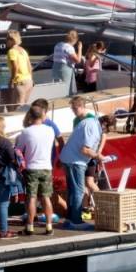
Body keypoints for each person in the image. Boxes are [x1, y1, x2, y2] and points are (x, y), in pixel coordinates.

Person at [59, 97, 103, 227]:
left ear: (82, 106)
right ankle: (75, 220)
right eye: (72, 108)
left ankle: (70, 218)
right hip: (77, 159)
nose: (73, 111)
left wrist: (97, 154)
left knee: (74, 189)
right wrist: (98, 156)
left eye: (75, 108)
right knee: (77, 190)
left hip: (75, 158)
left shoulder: (90, 119)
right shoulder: (80, 121)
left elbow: (95, 141)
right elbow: (84, 147)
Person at [15, 105, 56, 236]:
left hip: (32, 168)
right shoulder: (50, 130)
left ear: (30, 116)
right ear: (42, 115)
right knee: (46, 197)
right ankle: (49, 226)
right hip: (46, 167)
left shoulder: (26, 132)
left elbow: (18, 149)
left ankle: (30, 226)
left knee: (31, 198)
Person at [82, 114, 112, 218]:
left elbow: (101, 142)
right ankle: (85, 210)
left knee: (89, 183)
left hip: (91, 158)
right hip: (89, 157)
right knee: (85, 185)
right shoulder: (97, 127)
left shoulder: (99, 129)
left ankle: (103, 204)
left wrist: (98, 155)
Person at [6, 30, 34, 107]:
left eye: (7, 39)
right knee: (24, 106)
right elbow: (29, 67)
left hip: (19, 81)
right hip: (29, 81)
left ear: (12, 40)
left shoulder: (12, 51)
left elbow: (15, 67)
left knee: (18, 106)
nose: (6, 41)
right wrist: (31, 79)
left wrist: (11, 80)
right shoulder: (23, 50)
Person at [52, 30, 82, 96]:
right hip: (65, 70)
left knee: (58, 88)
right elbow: (78, 60)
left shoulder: (58, 44)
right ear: (75, 39)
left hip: (56, 69)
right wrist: (80, 48)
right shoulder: (69, 47)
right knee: (67, 89)